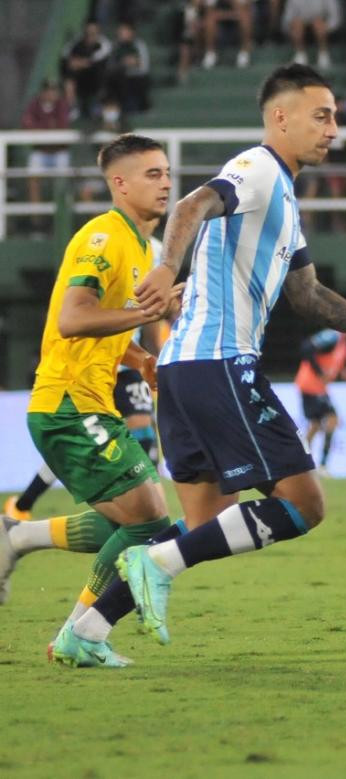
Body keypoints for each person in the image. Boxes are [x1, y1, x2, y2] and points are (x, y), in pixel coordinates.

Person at [57, 64, 346, 664]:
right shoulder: (257, 168)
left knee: (204, 524)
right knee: (303, 504)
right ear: (280, 118)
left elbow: (307, 296)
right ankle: (151, 564)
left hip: (184, 370)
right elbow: (191, 205)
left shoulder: (283, 197)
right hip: (217, 361)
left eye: (336, 116)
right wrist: (165, 269)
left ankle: (85, 631)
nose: (335, 129)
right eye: (323, 116)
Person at [0, 134, 183, 667]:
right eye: (152, 174)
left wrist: (141, 360)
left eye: (167, 172)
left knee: (130, 521)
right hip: (66, 404)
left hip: (91, 403)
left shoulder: (143, 248)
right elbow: (72, 319)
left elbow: (104, 328)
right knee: (152, 520)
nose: (166, 182)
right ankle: (80, 633)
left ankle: (17, 537)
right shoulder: (102, 238)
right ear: (119, 183)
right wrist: (146, 318)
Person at [295, 329, 346, 473]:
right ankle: (322, 464)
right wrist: (320, 373)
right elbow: (307, 347)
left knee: (315, 425)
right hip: (311, 385)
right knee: (332, 419)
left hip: (318, 388)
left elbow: (334, 361)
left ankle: (303, 463)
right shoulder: (333, 336)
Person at [20, 81, 72, 212]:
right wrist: (48, 125)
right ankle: (36, 217)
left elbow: (62, 125)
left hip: (60, 151)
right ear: (42, 92)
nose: (51, 94)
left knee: (63, 183)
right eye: (48, 91)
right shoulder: (34, 104)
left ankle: (62, 215)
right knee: (33, 179)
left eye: (54, 91)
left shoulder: (61, 105)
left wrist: (41, 127)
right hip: (40, 151)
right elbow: (27, 123)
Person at [60, 20, 112, 120]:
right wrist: (75, 63)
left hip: (97, 79)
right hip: (81, 78)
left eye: (93, 33)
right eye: (88, 33)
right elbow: (65, 56)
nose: (90, 36)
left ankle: (98, 105)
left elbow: (96, 61)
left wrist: (80, 63)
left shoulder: (104, 44)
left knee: (102, 72)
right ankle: (73, 107)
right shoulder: (77, 42)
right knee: (69, 75)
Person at [107, 21, 151, 115]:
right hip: (120, 77)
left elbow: (144, 67)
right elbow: (110, 65)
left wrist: (134, 63)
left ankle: (135, 108)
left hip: (136, 77)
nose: (121, 34)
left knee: (135, 82)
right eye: (120, 32)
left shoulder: (139, 45)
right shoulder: (115, 46)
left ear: (131, 32)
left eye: (124, 31)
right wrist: (124, 63)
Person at [282, 0, 343, 69]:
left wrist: (326, 27)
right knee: (297, 23)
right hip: (301, 28)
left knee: (318, 22)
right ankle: (300, 54)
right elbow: (287, 19)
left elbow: (335, 18)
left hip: (322, 29)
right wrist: (292, 27)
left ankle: (323, 54)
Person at [201, 0, 256, 69]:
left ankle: (244, 53)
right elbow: (209, 11)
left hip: (235, 21)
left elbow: (244, 9)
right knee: (209, 20)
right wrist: (227, 14)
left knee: (246, 19)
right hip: (220, 22)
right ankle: (210, 53)